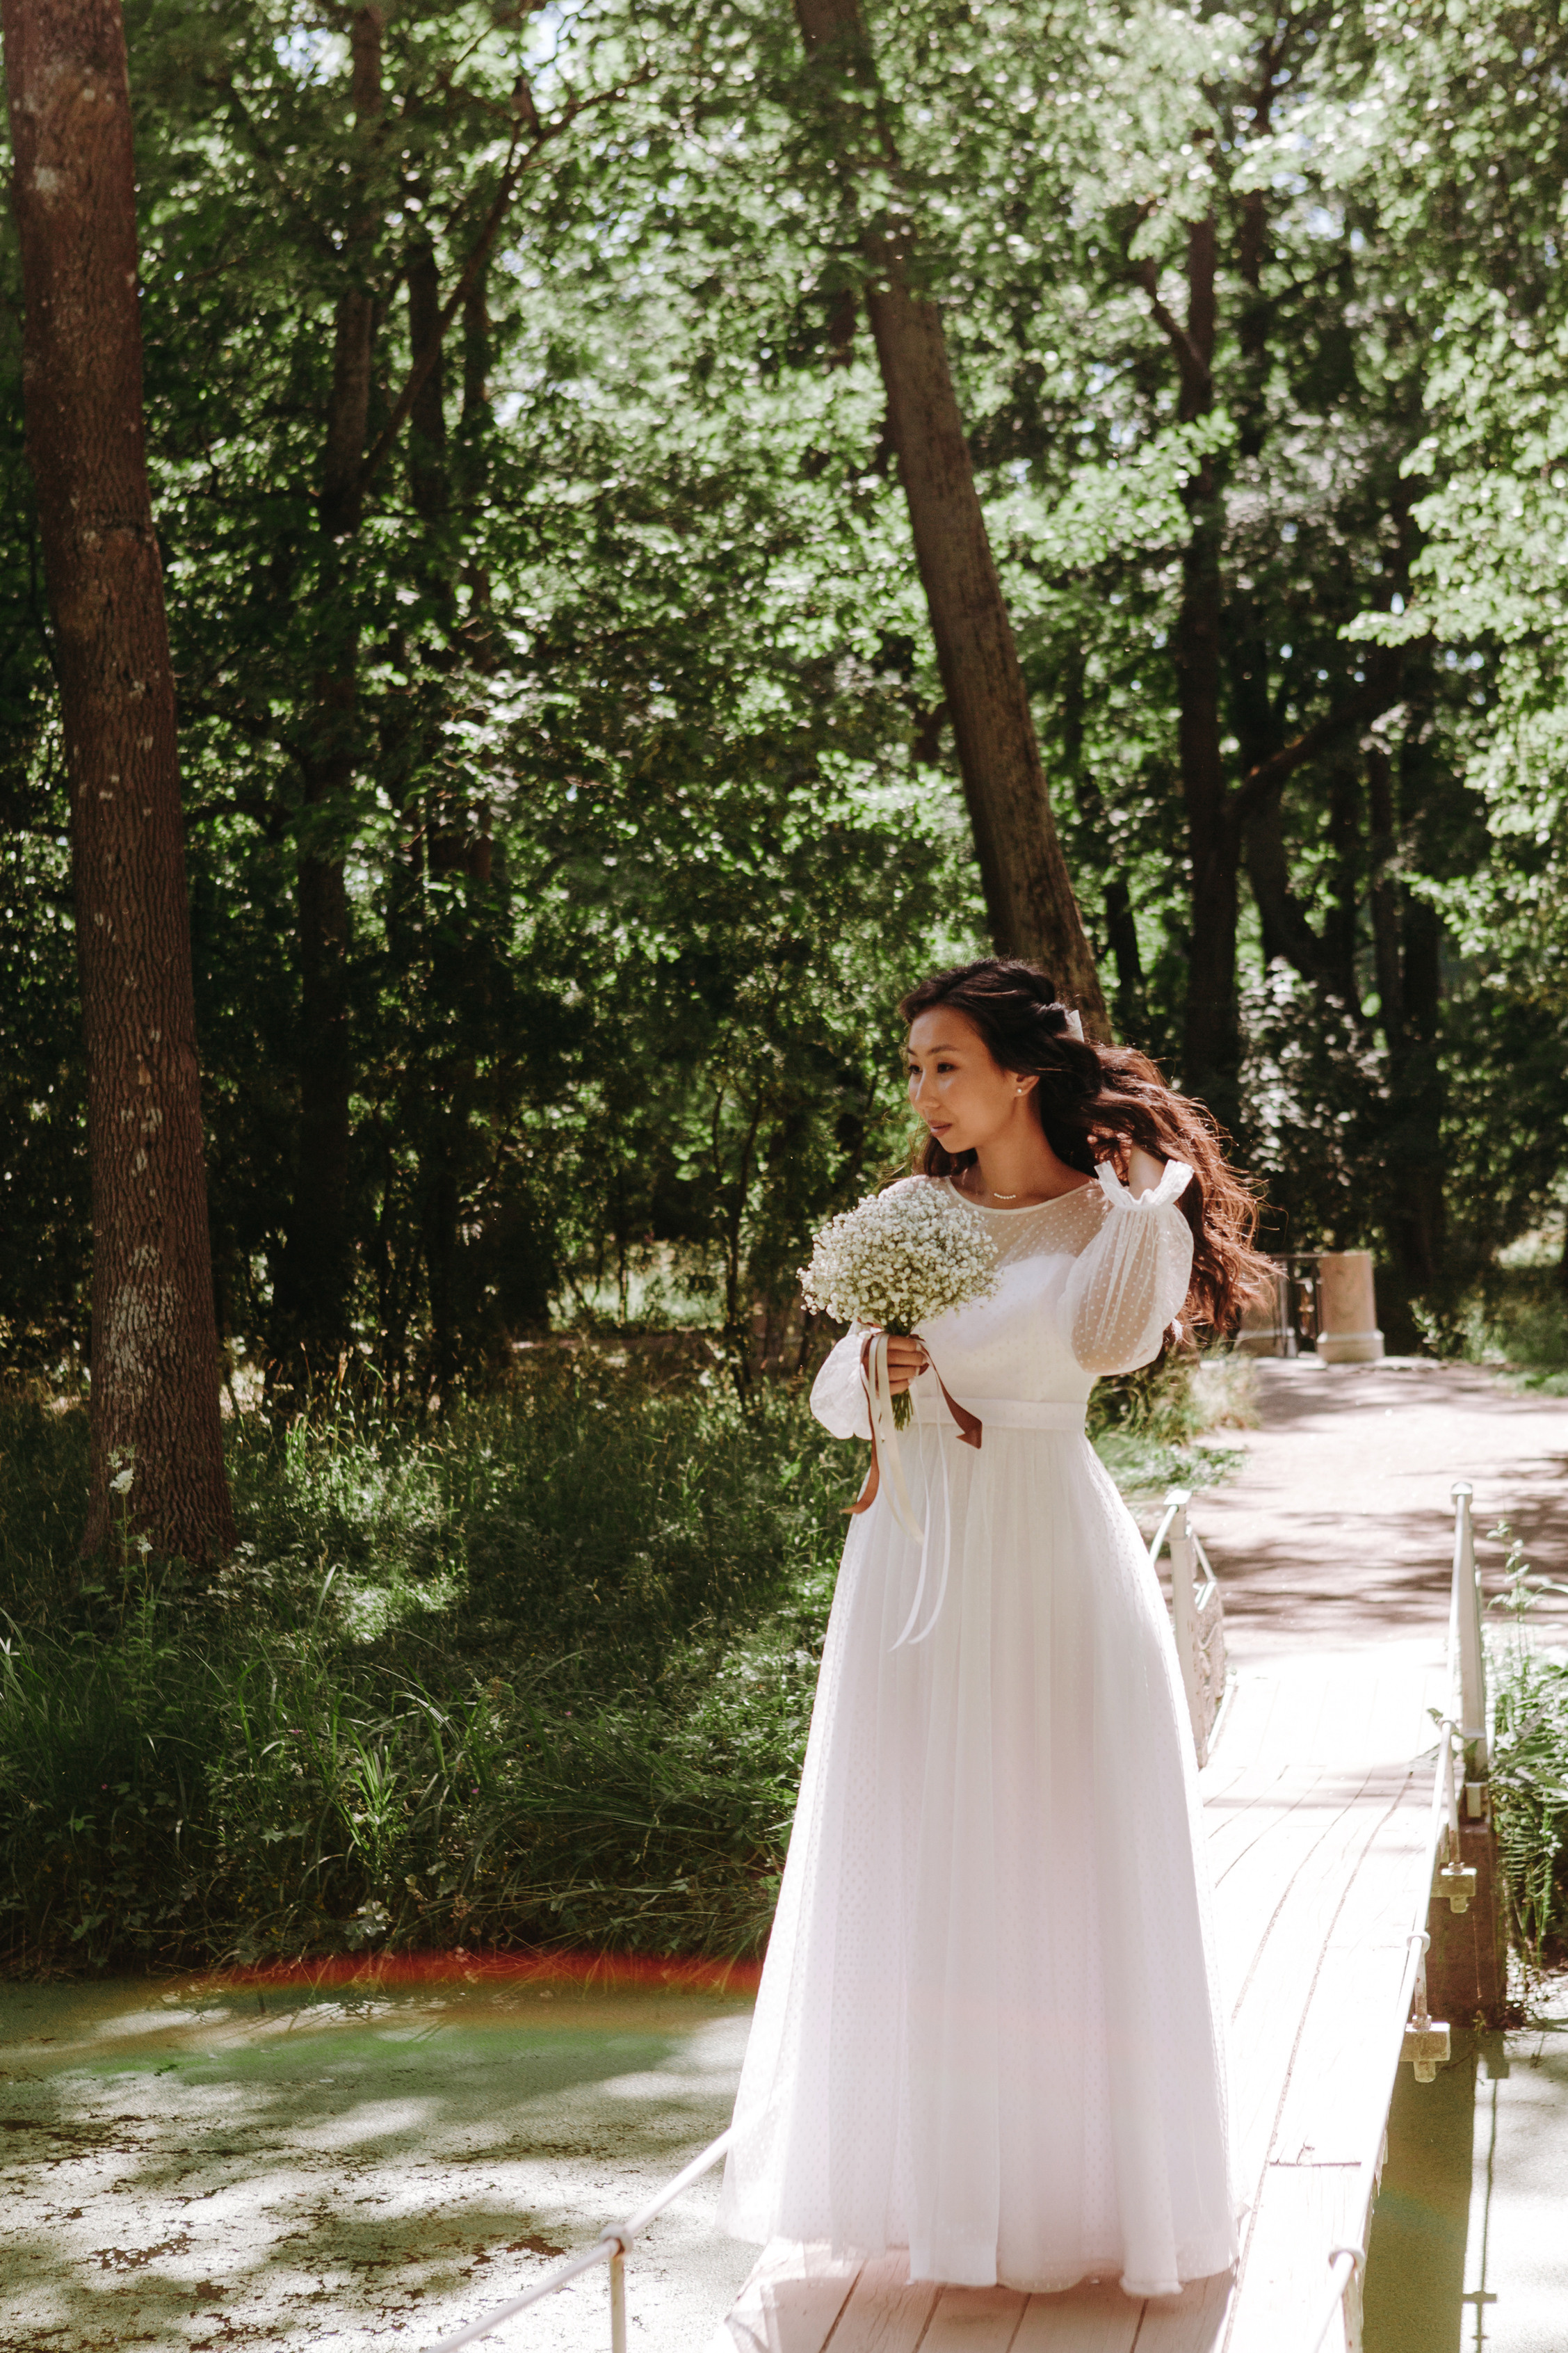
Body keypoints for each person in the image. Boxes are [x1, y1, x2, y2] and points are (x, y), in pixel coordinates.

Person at [720, 957, 1271, 2299]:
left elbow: (1105, 1346)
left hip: (1044, 1544)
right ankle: (935, 2201)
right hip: (912, 1553)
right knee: (920, 1843)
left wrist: (1144, 1210)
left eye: (947, 1066)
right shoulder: (909, 1213)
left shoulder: (1115, 1215)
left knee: (1056, 1847)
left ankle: (1078, 2201)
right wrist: (876, 1363)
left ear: (1022, 1073)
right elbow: (833, 1404)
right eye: (914, 1069)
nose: (925, 1093)